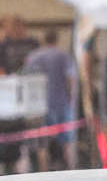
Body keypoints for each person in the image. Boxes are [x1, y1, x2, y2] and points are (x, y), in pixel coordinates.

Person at [24, 28, 78, 170]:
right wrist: (72, 99)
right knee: (68, 142)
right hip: (62, 103)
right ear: (56, 39)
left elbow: (27, 80)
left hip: (39, 106)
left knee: (42, 144)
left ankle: (44, 171)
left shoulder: (33, 57)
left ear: (43, 40)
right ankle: (72, 169)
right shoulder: (63, 56)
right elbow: (71, 79)